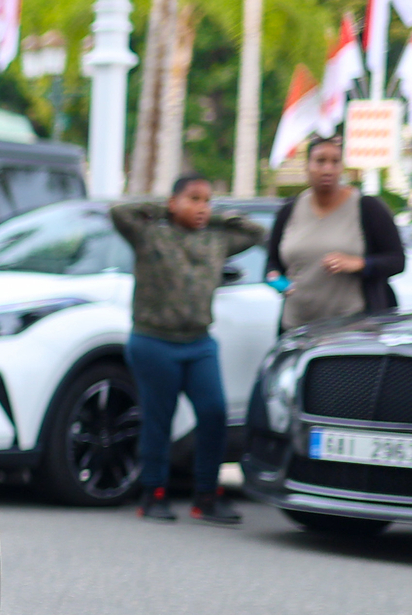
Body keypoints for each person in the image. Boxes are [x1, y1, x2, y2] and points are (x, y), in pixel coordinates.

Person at [111, 173, 265, 525]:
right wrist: (165, 211)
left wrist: (215, 217)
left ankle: (207, 496)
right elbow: (120, 213)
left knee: (214, 412)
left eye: (206, 200)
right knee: (158, 420)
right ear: (174, 201)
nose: (201, 207)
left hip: (198, 343)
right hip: (154, 341)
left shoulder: (215, 239)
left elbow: (257, 233)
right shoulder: (151, 234)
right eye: (193, 199)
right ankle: (154, 494)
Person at [265, 134, 405, 330]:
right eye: (320, 161)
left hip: (352, 328)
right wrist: (280, 284)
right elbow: (272, 265)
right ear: (307, 167)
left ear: (342, 168)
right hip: (296, 328)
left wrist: (360, 264)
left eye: (335, 162)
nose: (327, 169)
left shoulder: (367, 207)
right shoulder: (289, 210)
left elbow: (397, 260)